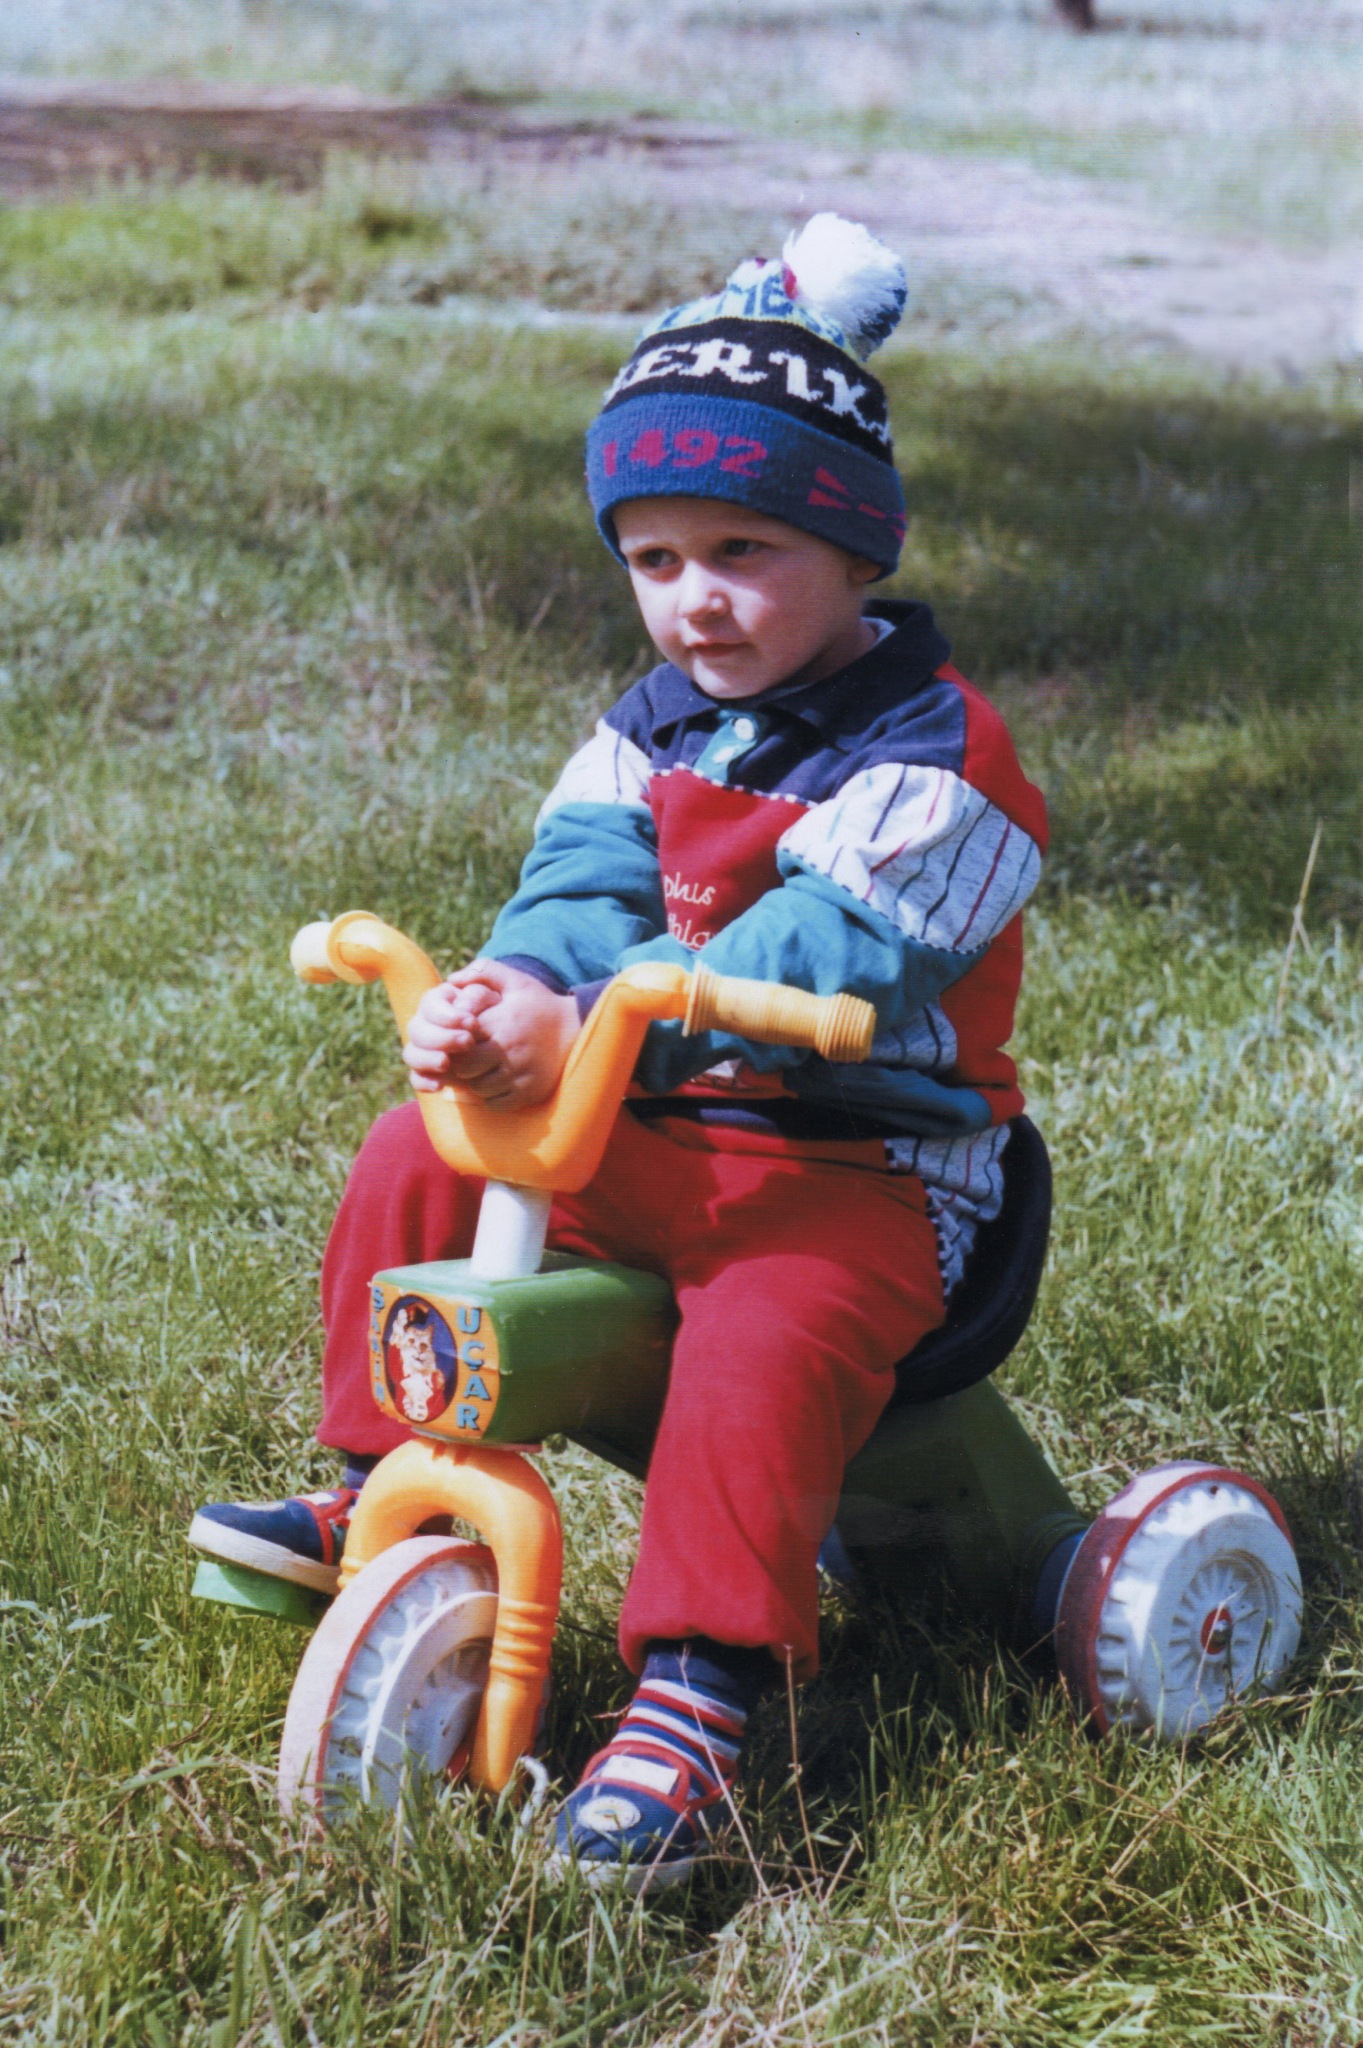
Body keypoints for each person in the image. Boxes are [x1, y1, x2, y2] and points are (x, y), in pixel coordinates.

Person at [190, 214, 1047, 1890]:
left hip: (862, 1168)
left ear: (853, 545)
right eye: (652, 561)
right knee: (418, 1148)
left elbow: (842, 950)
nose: (693, 601)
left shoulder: (941, 755)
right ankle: (378, 1477)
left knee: (763, 1325)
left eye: (742, 549)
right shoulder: (647, 729)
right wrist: (513, 993)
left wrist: (619, 1017)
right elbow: (579, 888)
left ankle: (708, 1684)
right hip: (652, 1120)